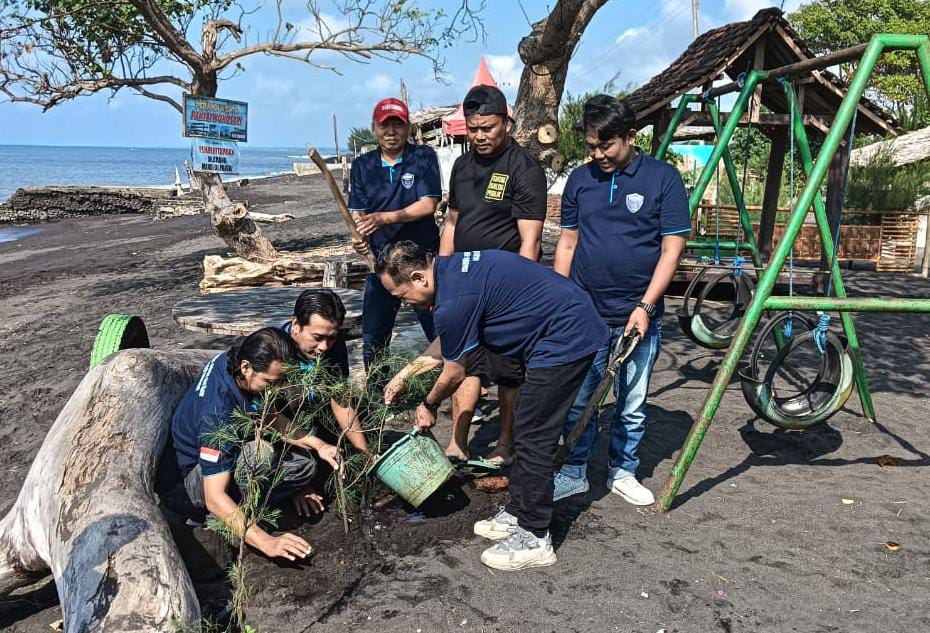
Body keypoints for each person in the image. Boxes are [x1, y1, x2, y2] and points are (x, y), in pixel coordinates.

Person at [378, 241, 608, 571]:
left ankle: (535, 534)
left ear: (418, 277)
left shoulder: (454, 297)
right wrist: (407, 372)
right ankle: (519, 509)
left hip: (566, 339)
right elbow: (449, 337)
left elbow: (455, 371)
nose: (403, 304)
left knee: (533, 436)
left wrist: (427, 403)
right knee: (529, 430)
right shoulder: (453, 273)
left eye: (401, 296)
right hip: (557, 330)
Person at [552, 95, 690, 506]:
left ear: (631, 136)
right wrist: (561, 303)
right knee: (579, 399)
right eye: (591, 146)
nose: (597, 155)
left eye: (605, 146)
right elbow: (568, 242)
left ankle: (623, 470)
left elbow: (672, 249)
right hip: (585, 313)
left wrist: (645, 307)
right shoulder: (580, 179)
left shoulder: (663, 179)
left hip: (638, 313)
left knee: (631, 401)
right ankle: (573, 470)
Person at [430, 84, 548, 465]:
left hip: (506, 289)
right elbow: (452, 222)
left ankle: (505, 442)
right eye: (473, 128)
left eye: (488, 128)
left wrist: (524, 297)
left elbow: (530, 241)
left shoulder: (524, 168)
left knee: (508, 369)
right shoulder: (463, 167)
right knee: (463, 361)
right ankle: (458, 441)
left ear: (506, 124)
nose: (480, 136)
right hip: (464, 283)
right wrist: (442, 276)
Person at [158, 328, 343, 561]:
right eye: (270, 382)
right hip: (187, 485)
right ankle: (229, 523)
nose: (275, 389)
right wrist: (267, 542)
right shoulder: (216, 415)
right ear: (246, 367)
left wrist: (318, 445)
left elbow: (267, 416)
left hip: (226, 455)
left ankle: (248, 507)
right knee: (259, 454)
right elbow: (214, 495)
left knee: (304, 465)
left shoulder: (235, 363)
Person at [348, 97, 442, 369]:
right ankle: (378, 394)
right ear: (374, 128)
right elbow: (358, 213)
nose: (391, 132)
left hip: (422, 263)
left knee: (438, 326)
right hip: (380, 263)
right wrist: (360, 233)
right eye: (384, 125)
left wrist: (384, 218)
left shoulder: (422, 157)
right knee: (374, 335)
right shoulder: (362, 165)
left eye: (397, 125)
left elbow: (428, 204)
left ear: (408, 128)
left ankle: (457, 386)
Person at [280, 288, 368, 454]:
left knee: (366, 417)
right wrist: (317, 445)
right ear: (296, 325)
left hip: (318, 418)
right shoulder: (274, 352)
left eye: (332, 337)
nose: (324, 347)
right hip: (284, 428)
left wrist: (364, 454)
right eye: (317, 338)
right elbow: (265, 416)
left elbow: (341, 401)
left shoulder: (335, 348)